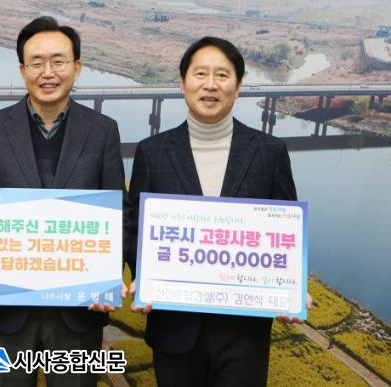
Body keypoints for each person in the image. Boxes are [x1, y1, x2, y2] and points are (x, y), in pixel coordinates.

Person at [0, 16, 127, 386]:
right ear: (22, 70)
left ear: (77, 68)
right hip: (6, 312)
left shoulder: (103, 131)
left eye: (58, 61)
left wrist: (109, 281)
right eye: (36, 63)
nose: (47, 72)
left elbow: (118, 213)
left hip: (80, 312)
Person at [126, 36, 307, 386]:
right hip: (174, 328)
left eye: (222, 75)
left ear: (237, 87)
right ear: (182, 83)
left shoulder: (269, 152)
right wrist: (145, 278)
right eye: (200, 74)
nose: (210, 84)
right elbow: (136, 227)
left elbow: (286, 232)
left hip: (244, 334)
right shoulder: (152, 152)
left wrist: (290, 287)